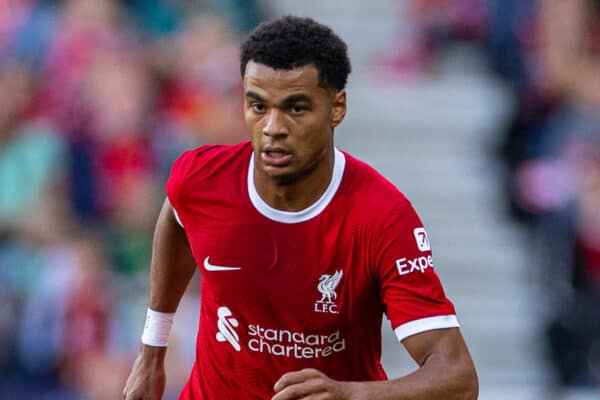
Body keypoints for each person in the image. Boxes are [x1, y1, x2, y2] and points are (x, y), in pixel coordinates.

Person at [123, 15, 478, 400]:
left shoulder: (382, 217)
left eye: (295, 108)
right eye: (258, 106)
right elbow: (176, 214)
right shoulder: (201, 178)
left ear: (337, 107)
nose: (273, 127)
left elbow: (458, 379)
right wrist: (152, 349)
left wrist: (348, 395)